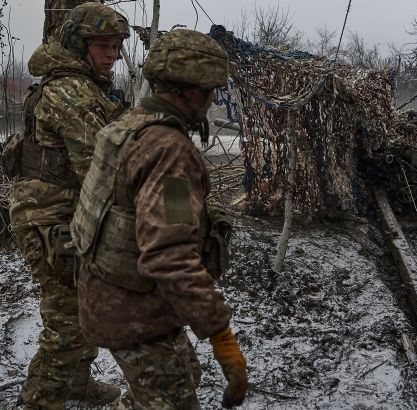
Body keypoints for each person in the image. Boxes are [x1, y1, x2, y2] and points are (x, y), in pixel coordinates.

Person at [70, 29, 248, 409]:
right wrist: (222, 335)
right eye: (211, 89)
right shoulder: (168, 151)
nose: (214, 98)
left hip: (105, 293)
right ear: (192, 91)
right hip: (134, 311)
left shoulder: (127, 125)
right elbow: (169, 255)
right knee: (172, 398)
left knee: (178, 377)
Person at [7, 3, 130, 408]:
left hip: (66, 212)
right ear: (80, 45)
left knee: (86, 301)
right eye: (103, 46)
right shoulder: (72, 92)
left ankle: (78, 384)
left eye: (116, 46)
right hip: (49, 219)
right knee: (67, 322)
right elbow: (101, 170)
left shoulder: (83, 85)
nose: (112, 54)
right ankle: (41, 399)